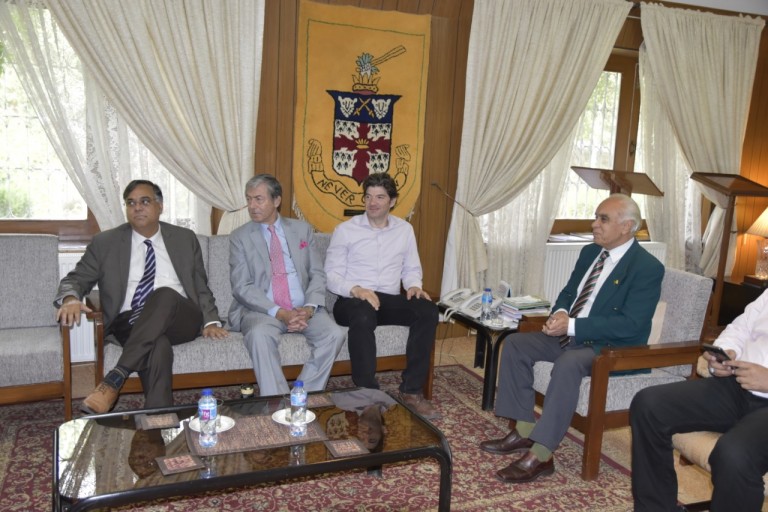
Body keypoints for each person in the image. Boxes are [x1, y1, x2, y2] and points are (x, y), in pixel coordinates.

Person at [479, 193, 664, 483]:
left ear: (626, 227)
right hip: (573, 333)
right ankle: (525, 431)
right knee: (516, 343)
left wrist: (573, 325)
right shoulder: (591, 252)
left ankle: (542, 455)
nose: (594, 224)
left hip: (612, 348)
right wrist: (560, 314)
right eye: (595, 217)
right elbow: (569, 292)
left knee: (568, 363)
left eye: (603, 219)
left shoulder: (647, 268)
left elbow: (631, 325)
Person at [55, 180, 228, 414]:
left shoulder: (184, 238)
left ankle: (115, 377)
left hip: (180, 318)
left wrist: (211, 321)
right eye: (131, 203)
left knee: (164, 295)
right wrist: (70, 298)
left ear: (160, 206)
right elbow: (75, 279)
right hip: (130, 321)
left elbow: (200, 285)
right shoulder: (105, 242)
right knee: (158, 345)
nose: (137, 207)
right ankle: (158, 420)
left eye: (145, 201)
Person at [631, 292, 768, 512]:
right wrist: (725, 353)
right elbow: (741, 328)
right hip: (739, 386)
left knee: (733, 454)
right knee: (648, 405)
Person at [325, 172, 440, 419]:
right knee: (364, 313)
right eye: (368, 197)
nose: (372, 203)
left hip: (387, 299)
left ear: (392, 201)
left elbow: (411, 268)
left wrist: (413, 285)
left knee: (428, 310)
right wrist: (356, 289)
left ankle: (411, 391)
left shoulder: (405, 230)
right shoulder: (345, 230)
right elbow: (332, 275)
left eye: (379, 197)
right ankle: (368, 394)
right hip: (351, 300)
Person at [228, 174, 345, 396]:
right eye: (249, 199)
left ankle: (302, 397)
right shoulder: (239, 237)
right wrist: (280, 313)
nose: (252, 206)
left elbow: (317, 273)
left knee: (334, 334)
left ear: (276, 201)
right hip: (262, 310)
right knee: (259, 335)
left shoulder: (302, 230)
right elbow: (241, 286)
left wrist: (309, 309)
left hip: (302, 308)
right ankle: (277, 402)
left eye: (258, 199)